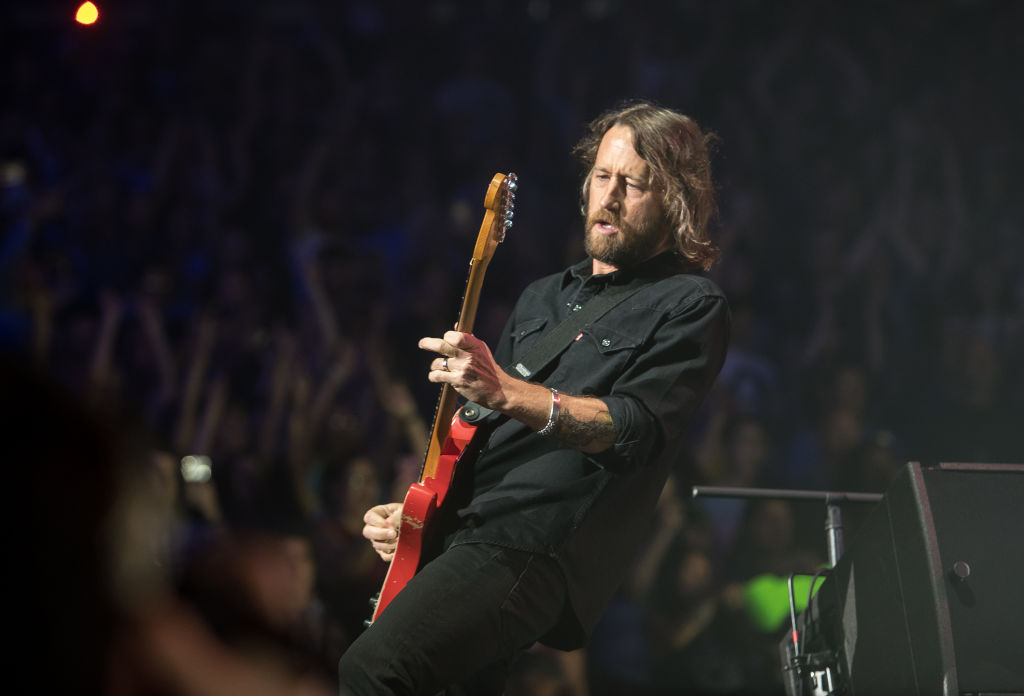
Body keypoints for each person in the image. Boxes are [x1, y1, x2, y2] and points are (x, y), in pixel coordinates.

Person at [337, 100, 731, 695]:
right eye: (602, 176)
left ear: (674, 199)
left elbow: (632, 428)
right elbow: (487, 437)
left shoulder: (688, 304)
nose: (611, 196)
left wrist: (507, 390)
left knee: (370, 669)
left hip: (534, 545)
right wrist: (424, 520)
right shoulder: (543, 297)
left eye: (634, 183)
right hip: (469, 535)